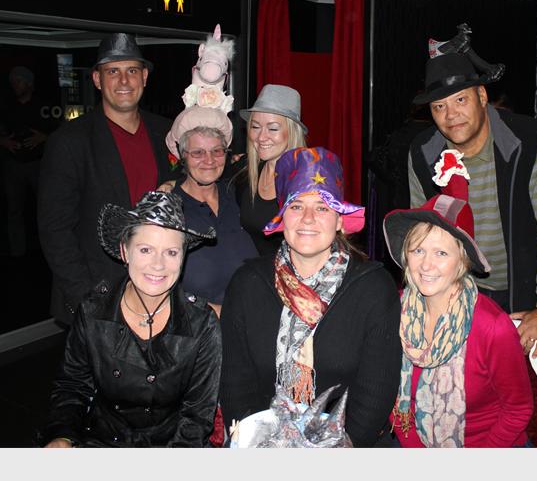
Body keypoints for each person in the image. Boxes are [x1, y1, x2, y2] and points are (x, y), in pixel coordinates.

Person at [220, 147, 402, 447]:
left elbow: (375, 395)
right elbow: (235, 384)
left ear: (340, 220)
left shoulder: (373, 288)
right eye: (296, 206)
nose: (307, 219)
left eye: (322, 208)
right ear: (282, 217)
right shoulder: (247, 284)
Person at [407, 52, 537, 355]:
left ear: (482, 96)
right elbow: (421, 235)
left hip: (521, 294)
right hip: (454, 291)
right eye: (439, 106)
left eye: (460, 100)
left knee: (519, 381)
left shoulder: (531, 142)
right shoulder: (423, 153)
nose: (451, 115)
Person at [43, 191, 221, 447]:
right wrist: (62, 435)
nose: (158, 265)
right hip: (104, 441)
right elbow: (72, 386)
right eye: (146, 249)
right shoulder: (93, 312)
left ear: (183, 258)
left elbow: (196, 417)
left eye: (171, 252)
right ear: (125, 252)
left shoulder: (202, 324)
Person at [383, 162, 533, 447]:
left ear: (462, 261)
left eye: (441, 253)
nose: (426, 265)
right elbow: (391, 395)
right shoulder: (393, 311)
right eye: (418, 250)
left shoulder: (492, 326)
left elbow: (518, 410)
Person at [38, 34, 174, 326]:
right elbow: (55, 231)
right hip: (100, 298)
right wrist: (89, 302)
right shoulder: (70, 142)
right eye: (113, 71)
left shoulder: (167, 132)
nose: (124, 80)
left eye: (132, 70)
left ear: (144, 77)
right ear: (97, 80)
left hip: (161, 289)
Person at [165, 106, 258, 318]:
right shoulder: (170, 207)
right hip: (198, 329)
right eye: (198, 152)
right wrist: (205, 310)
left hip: (252, 320)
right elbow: (152, 278)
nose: (209, 160)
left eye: (217, 151)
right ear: (183, 156)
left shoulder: (238, 193)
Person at [0, 66, 58, 257]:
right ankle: (17, 252)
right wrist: (2, 141)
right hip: (14, 164)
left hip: (38, 164)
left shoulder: (43, 107)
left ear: (28, 83)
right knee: (14, 210)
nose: (15, 84)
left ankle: (48, 250)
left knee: (46, 208)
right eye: (13, 81)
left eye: (19, 81)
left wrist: (44, 137)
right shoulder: (6, 108)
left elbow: (61, 130)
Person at [233, 84, 307, 258]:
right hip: (254, 271)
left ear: (292, 132)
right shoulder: (244, 170)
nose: (261, 137)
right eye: (255, 127)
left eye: (273, 128)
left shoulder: (307, 182)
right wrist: (173, 182)